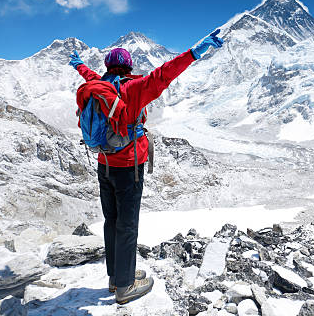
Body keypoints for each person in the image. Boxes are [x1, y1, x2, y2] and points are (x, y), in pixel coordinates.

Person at [69, 30, 224, 304]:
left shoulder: (99, 86)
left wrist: (79, 65)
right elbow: (164, 74)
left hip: (103, 164)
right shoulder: (133, 89)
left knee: (111, 221)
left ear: (108, 67)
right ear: (129, 67)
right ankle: (126, 288)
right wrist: (194, 53)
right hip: (130, 167)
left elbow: (88, 76)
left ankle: (116, 277)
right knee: (128, 225)